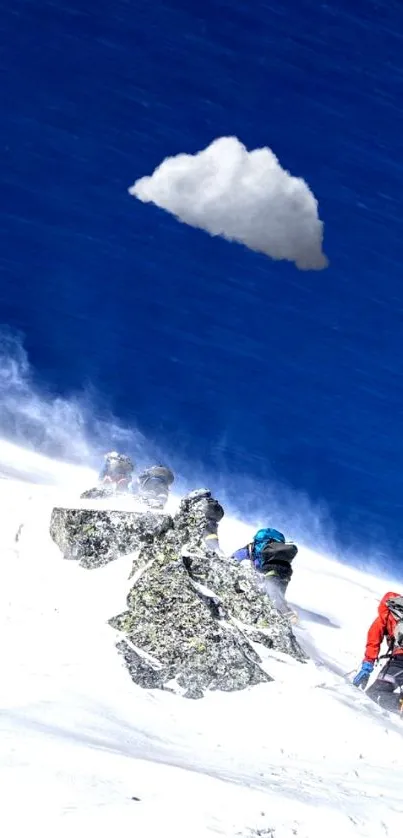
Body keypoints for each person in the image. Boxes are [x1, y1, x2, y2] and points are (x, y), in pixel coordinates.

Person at [353, 592, 403, 714]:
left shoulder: (385, 615)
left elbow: (373, 640)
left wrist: (367, 665)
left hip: (400, 661)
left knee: (374, 694)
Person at [232, 527, 298, 614]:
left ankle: (282, 612)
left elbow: (234, 558)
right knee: (277, 595)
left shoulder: (251, 549)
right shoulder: (277, 554)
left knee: (271, 593)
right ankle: (285, 612)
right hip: (284, 573)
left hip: (269, 572)